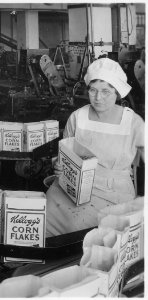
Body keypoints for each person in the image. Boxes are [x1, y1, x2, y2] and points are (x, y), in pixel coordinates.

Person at [46, 58, 145, 237]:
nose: (98, 98)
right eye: (93, 90)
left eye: (106, 91)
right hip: (72, 189)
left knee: (79, 229)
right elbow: (65, 156)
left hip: (113, 194)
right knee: (41, 218)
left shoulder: (133, 123)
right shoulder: (77, 117)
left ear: (117, 92)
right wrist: (59, 166)